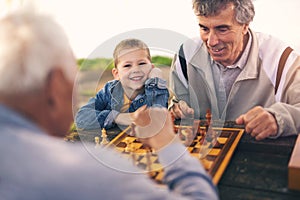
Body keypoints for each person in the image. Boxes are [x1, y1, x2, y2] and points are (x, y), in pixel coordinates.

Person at [0, 9, 219, 200]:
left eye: (142, 63)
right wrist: (167, 144)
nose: (135, 70)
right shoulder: (93, 174)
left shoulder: (155, 87)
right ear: (56, 86)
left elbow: (156, 115)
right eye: (73, 76)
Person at [170, 0, 300, 140]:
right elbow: (176, 103)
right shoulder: (185, 55)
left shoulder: (282, 60)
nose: (211, 42)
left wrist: (278, 119)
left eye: (222, 29)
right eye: (204, 29)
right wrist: (175, 109)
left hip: (257, 153)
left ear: (245, 26)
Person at [75, 38, 169, 130]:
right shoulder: (109, 91)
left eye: (141, 63)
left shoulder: (155, 89)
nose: (136, 69)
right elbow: (81, 117)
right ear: (117, 74)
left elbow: (159, 119)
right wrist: (118, 117)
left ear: (151, 68)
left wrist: (155, 81)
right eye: (127, 65)